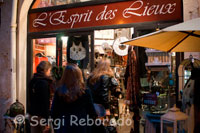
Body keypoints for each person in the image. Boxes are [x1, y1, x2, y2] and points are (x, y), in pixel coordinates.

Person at [51, 64, 97, 133]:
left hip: (64, 125)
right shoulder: (85, 92)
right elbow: (91, 112)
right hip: (81, 125)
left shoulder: (59, 92)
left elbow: (54, 112)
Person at [87, 59, 118, 133]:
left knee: (93, 127)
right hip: (100, 106)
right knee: (101, 127)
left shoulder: (92, 76)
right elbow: (104, 94)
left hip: (92, 104)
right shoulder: (105, 77)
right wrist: (107, 108)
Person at [28, 61, 53, 133]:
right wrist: (46, 120)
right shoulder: (44, 83)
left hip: (32, 114)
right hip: (41, 116)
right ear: (46, 70)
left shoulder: (33, 80)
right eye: (49, 70)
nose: (49, 73)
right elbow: (45, 103)